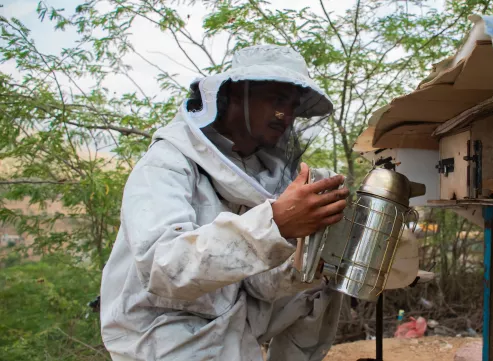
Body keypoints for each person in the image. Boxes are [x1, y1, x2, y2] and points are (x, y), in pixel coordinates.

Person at [99, 45, 350, 361]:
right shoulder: (166, 164)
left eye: (292, 105)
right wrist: (275, 224)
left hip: (230, 328)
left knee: (318, 281)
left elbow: (255, 284)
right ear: (234, 96)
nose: (285, 116)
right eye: (277, 100)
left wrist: (307, 262)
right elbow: (164, 268)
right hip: (159, 334)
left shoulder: (261, 175)